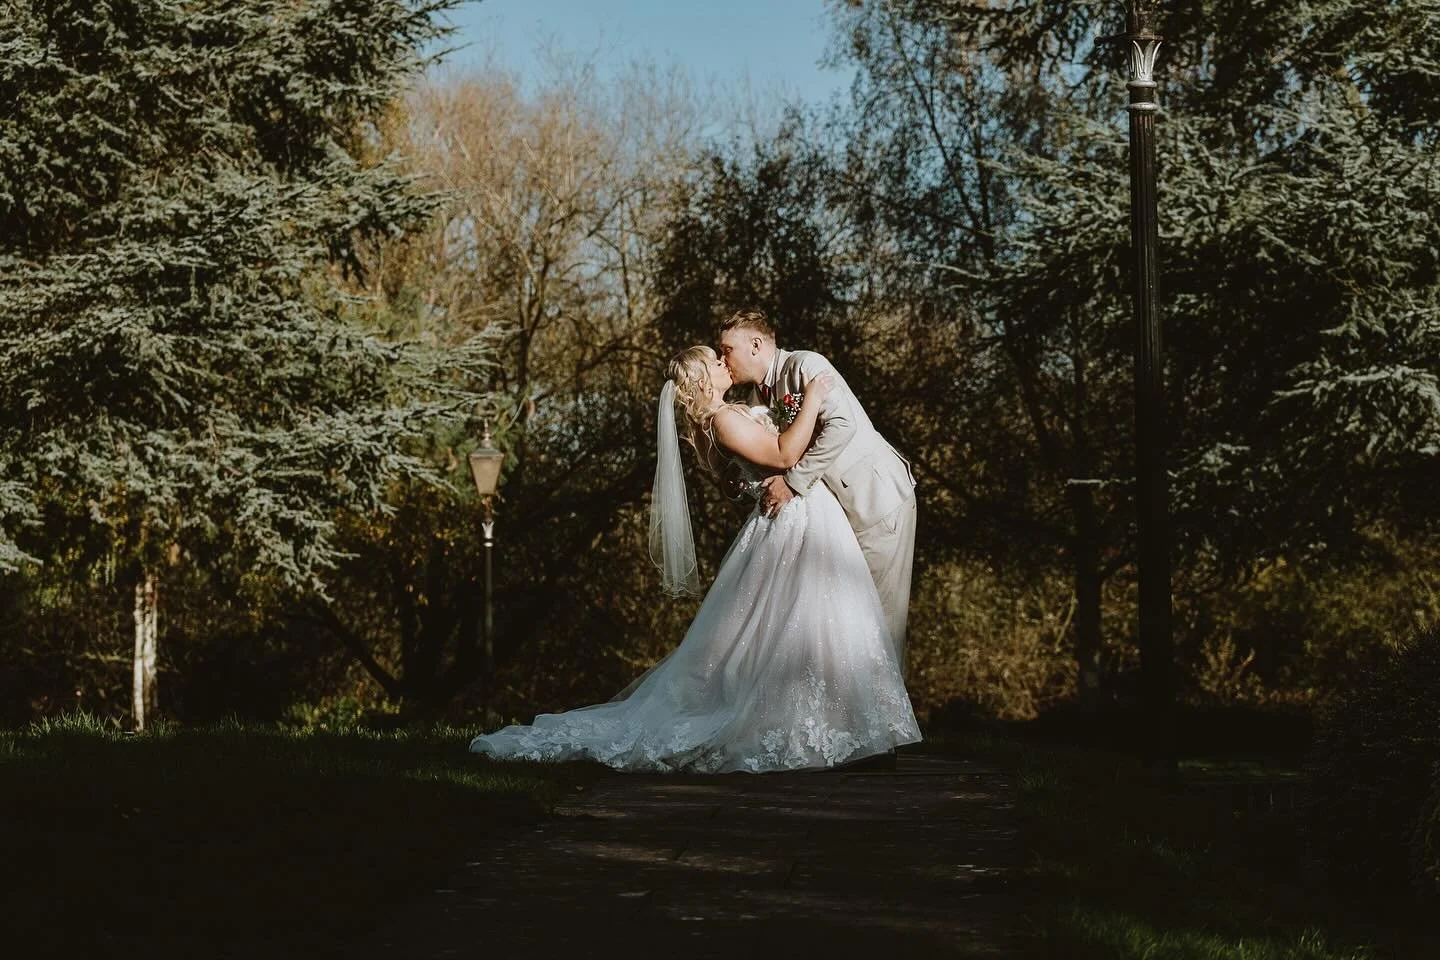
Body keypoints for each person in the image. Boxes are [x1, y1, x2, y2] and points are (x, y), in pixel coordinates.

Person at [468, 345, 920, 773]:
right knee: (808, 626)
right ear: (704, 380)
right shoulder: (723, 419)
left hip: (805, 516)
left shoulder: (728, 414)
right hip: (797, 516)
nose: (724, 362)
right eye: (715, 361)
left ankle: (849, 729)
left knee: (819, 627)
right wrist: (814, 398)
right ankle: (843, 733)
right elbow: (785, 453)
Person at [717, 309, 918, 668]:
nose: (723, 359)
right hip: (833, 517)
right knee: (848, 626)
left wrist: (792, 484)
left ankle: (890, 705)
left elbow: (842, 426)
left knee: (880, 627)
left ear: (755, 345)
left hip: (874, 502)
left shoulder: (806, 365)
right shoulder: (755, 400)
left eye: (727, 349)